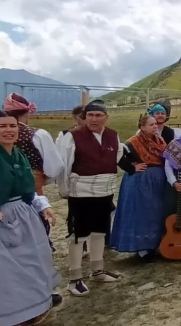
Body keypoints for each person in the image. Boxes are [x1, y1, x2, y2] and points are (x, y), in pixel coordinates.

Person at [0, 110, 60, 326]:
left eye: (12, 126)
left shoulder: (19, 155)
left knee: (34, 261)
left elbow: (29, 190)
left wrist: (44, 205)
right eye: (2, 126)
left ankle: (34, 306)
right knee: (8, 270)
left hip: (25, 214)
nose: (9, 130)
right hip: (1, 219)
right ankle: (12, 316)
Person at [57, 99, 123, 296]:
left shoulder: (113, 136)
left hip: (105, 190)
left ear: (106, 117)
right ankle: (74, 278)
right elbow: (65, 165)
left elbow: (117, 158)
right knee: (79, 235)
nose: (94, 119)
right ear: (84, 117)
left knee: (100, 231)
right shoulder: (72, 137)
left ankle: (97, 270)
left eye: (98, 115)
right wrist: (65, 189)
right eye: (90, 115)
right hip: (81, 192)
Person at [3, 93, 64, 251]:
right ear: (27, 112)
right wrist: (42, 178)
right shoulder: (37, 134)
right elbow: (55, 166)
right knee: (34, 224)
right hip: (31, 186)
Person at [111, 115, 167, 260]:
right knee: (142, 212)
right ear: (142, 127)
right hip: (141, 182)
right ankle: (141, 247)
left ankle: (154, 244)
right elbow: (117, 155)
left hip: (157, 180)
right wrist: (131, 167)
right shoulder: (133, 142)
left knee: (155, 212)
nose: (155, 126)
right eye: (151, 125)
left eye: (155, 124)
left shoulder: (159, 140)